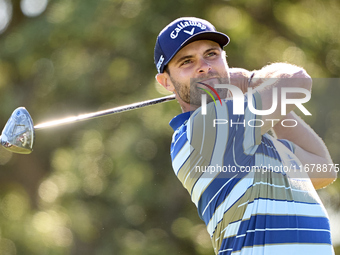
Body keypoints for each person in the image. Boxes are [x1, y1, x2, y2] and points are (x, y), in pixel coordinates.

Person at [154, 17, 337, 255]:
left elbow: (323, 169)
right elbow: (297, 81)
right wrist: (251, 80)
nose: (204, 66)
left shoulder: (251, 139)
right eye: (187, 61)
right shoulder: (203, 131)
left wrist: (254, 94)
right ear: (166, 82)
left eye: (211, 54)